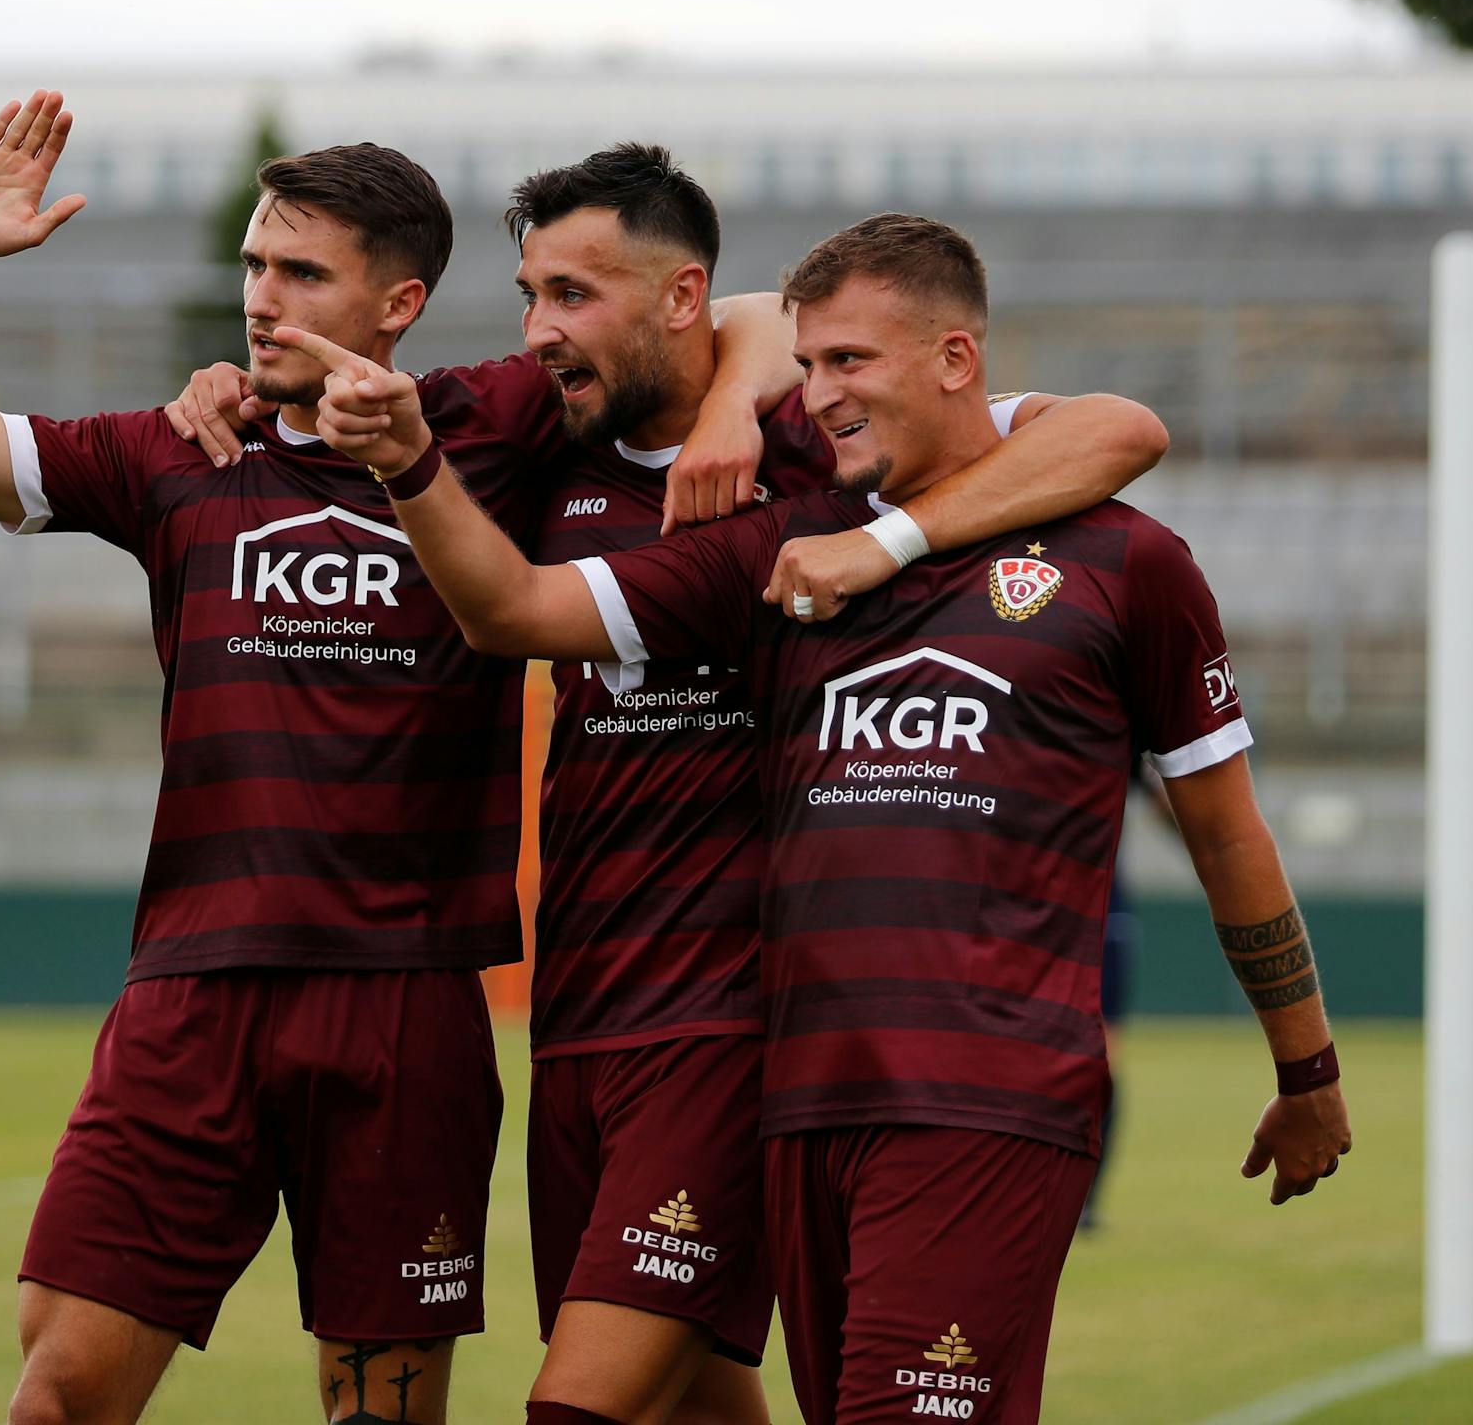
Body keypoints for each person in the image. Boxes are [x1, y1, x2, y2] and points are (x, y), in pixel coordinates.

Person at [285, 211, 1353, 1425]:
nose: (820, 394)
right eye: (807, 365)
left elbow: (1224, 831)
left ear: (955, 359)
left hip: (985, 1095)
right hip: (800, 1105)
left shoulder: (1122, 562)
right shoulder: (781, 549)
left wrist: (1305, 1066)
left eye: (850, 361)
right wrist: (410, 462)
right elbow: (519, 608)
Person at [0, 93, 796, 1425]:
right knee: (59, 1391)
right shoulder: (176, 450)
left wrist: (734, 408)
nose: (261, 297)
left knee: (382, 1410)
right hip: (194, 992)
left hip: (406, 1008)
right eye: (255, 264)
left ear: (397, 303)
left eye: (301, 273)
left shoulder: (492, 425)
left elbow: (735, 312)